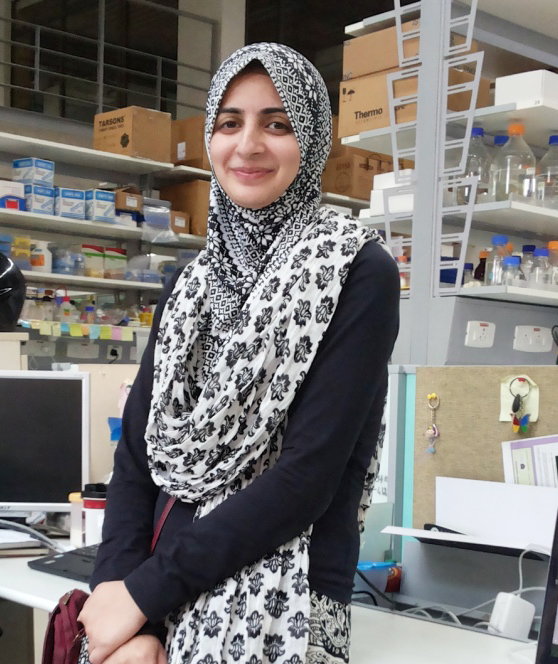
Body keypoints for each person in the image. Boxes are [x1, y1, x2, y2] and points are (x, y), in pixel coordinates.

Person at [78, 42, 400, 664]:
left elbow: (304, 480)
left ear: (309, 138)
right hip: (158, 598)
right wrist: (122, 608)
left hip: (288, 600)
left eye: (276, 123)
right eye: (230, 123)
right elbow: (138, 459)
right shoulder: (189, 284)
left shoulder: (356, 269)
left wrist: (142, 594)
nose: (248, 144)